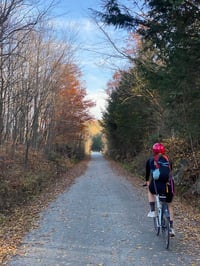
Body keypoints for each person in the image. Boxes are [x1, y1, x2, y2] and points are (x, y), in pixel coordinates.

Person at [144, 142, 175, 236]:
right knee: (169, 205)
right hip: (168, 186)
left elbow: (147, 174)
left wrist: (147, 182)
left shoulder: (150, 160)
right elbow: (170, 172)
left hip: (156, 186)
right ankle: (171, 228)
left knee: (150, 190)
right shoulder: (168, 160)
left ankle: (153, 210)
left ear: (154, 151)